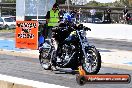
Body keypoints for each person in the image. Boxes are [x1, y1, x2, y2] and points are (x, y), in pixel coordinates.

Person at [45, 3, 60, 70]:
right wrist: (50, 25)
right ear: (53, 7)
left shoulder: (58, 12)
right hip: (51, 28)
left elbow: (59, 19)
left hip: (57, 28)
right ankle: (52, 62)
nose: (56, 9)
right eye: (55, 7)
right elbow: (47, 20)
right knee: (54, 44)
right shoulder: (49, 12)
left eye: (57, 8)